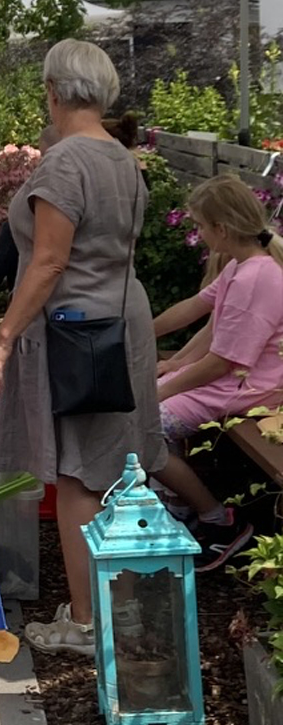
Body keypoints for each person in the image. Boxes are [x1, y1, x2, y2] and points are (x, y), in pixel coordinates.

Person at [0, 39, 165, 655]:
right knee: (118, 467)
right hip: (121, 319)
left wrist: (2, 337)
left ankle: (86, 624)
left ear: (54, 91)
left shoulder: (63, 163)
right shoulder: (122, 156)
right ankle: (122, 608)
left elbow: (50, 259)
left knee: (80, 475)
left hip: (78, 330)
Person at [151, 174, 283, 570]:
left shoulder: (256, 279)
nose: (200, 233)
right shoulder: (240, 269)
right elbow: (202, 317)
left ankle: (219, 522)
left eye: (201, 226)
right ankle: (178, 507)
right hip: (230, 379)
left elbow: (222, 362)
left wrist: (161, 390)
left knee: (143, 426)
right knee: (143, 409)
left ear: (221, 229)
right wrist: (149, 341)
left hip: (248, 387)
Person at [0, 115, 138, 324]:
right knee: (14, 235)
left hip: (75, 305)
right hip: (112, 299)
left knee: (13, 233)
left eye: (46, 158)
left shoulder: (70, 170)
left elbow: (51, 262)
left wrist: (5, 336)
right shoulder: (124, 170)